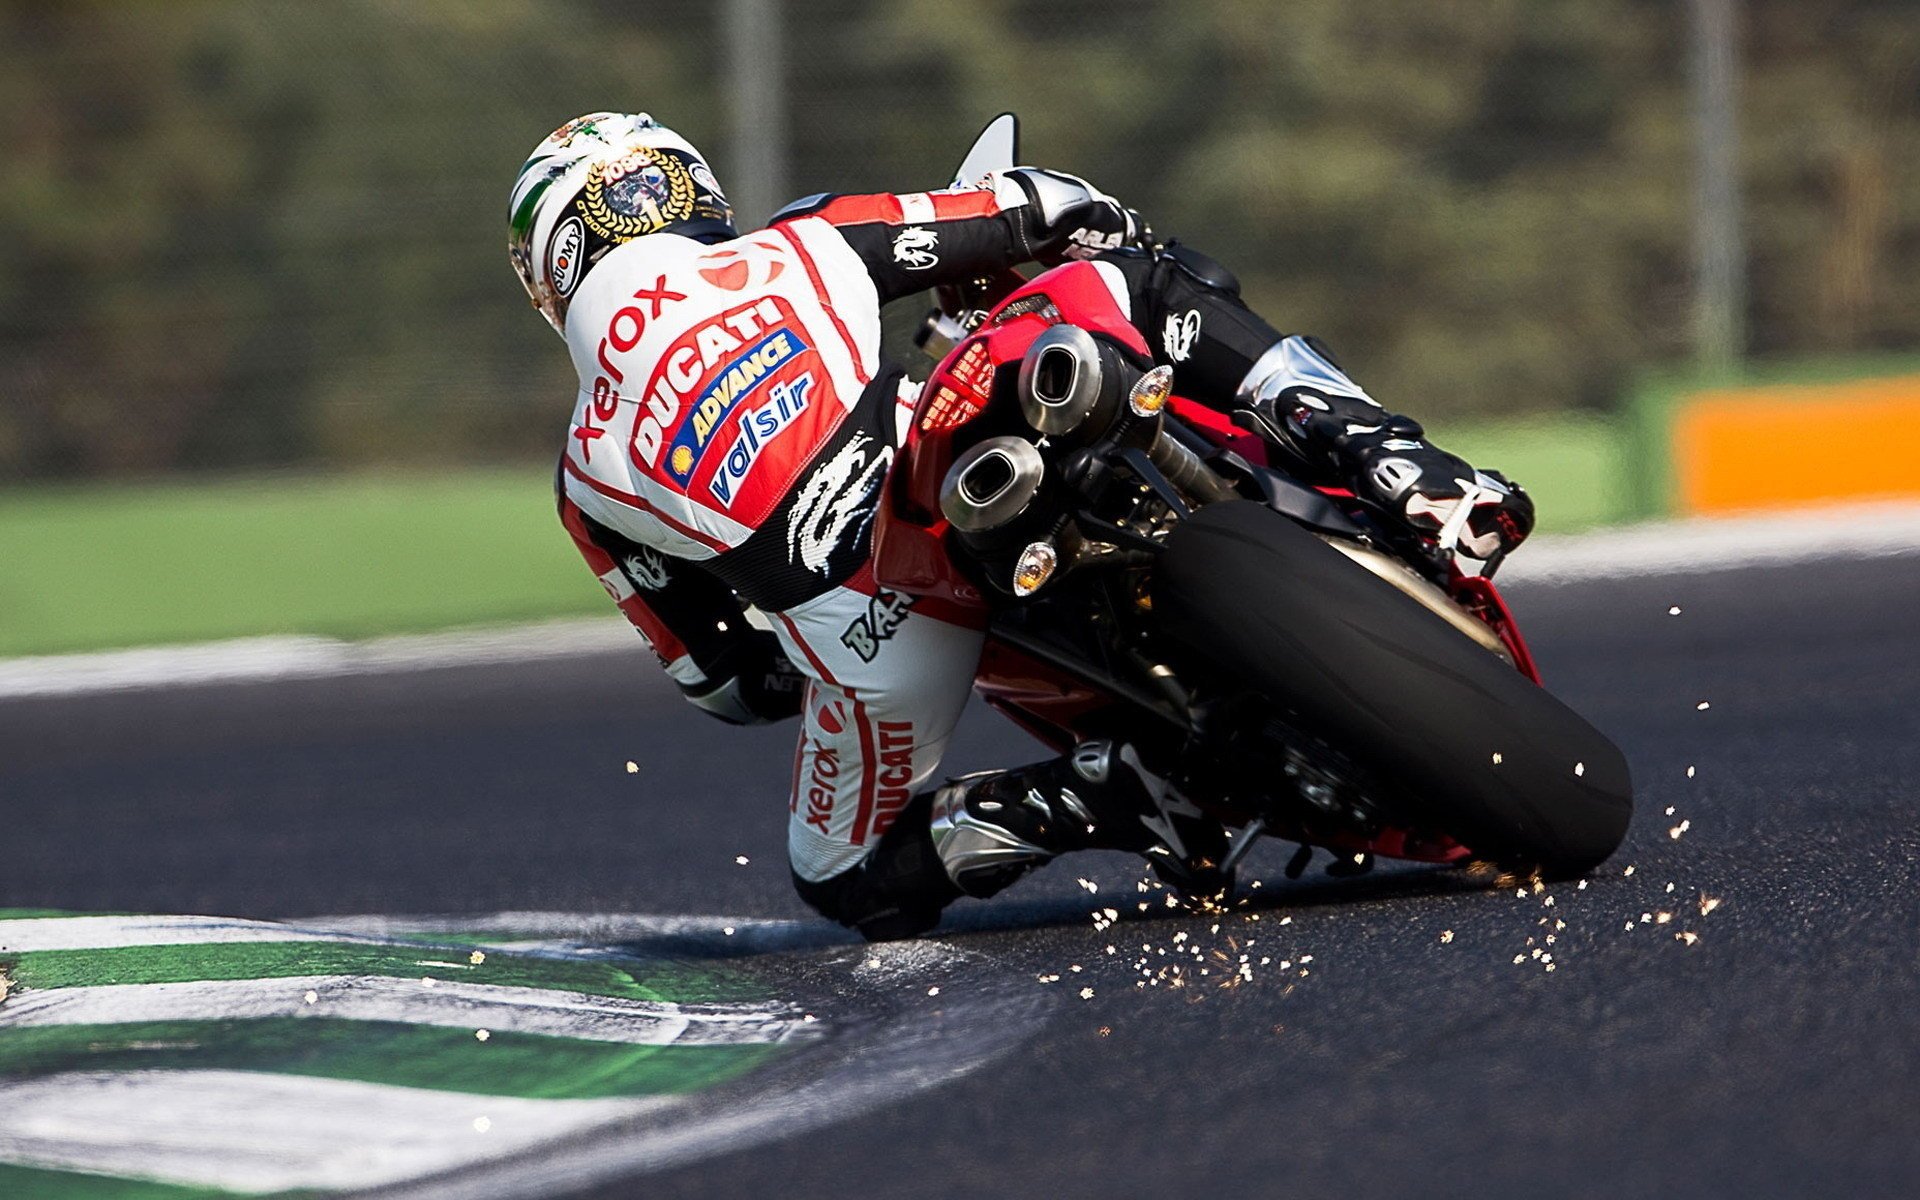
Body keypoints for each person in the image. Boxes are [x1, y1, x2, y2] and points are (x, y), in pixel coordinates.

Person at [509, 112, 1534, 940]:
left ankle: (1095, 795)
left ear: (552, 273)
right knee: (1127, 281)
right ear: (689, 187)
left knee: (844, 878)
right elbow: (1033, 206)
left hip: (887, 634)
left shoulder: (583, 477)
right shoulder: (798, 244)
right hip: (946, 447)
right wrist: (1106, 230)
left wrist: (799, 632)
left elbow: (728, 687)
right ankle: (1390, 460)